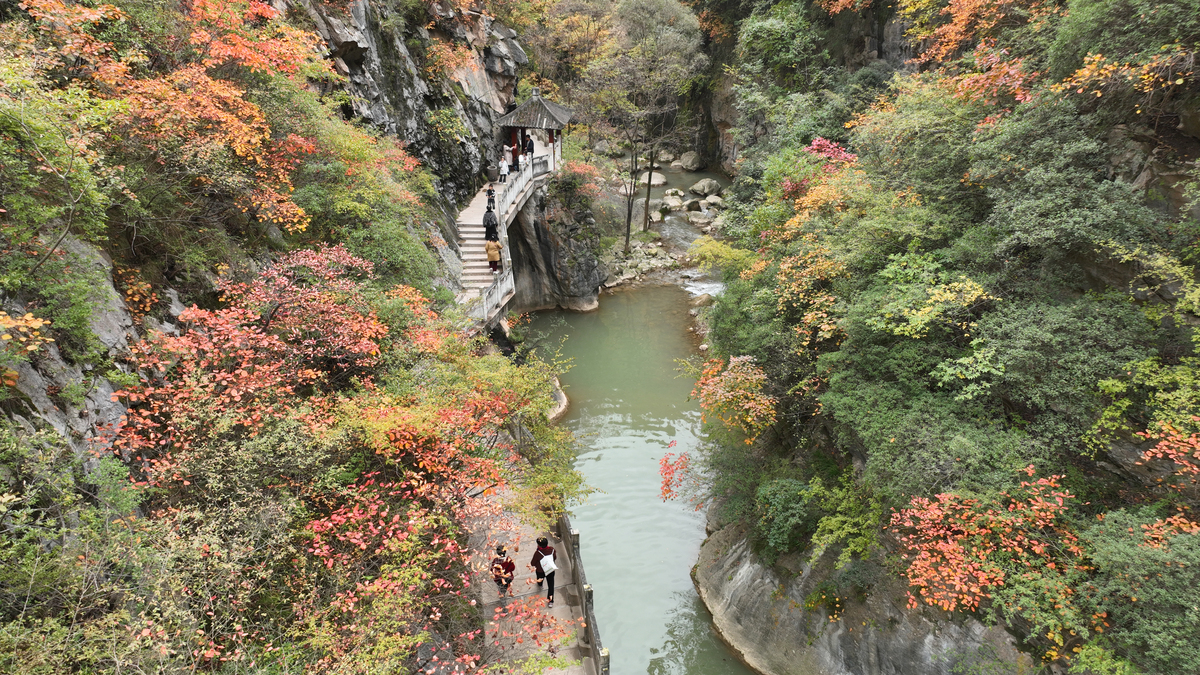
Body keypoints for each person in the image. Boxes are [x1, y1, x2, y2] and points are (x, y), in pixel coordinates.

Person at [530, 536, 556, 608]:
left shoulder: (538, 553)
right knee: (551, 585)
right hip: (550, 570)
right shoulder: (552, 549)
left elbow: (532, 563)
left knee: (540, 578)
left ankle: (540, 584)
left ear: (539, 545)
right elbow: (555, 558)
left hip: (540, 571)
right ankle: (550, 601)